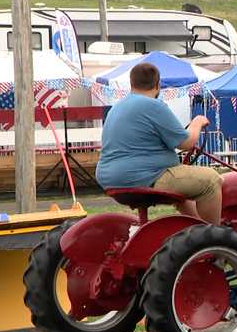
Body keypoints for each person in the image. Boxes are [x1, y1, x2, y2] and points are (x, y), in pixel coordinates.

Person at [96, 62, 223, 224]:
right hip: (143, 177)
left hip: (110, 179)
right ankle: (215, 238)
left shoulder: (117, 107)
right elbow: (186, 142)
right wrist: (197, 122)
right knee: (211, 181)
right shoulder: (153, 106)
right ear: (158, 85)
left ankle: (197, 228)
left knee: (184, 189)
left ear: (131, 83)